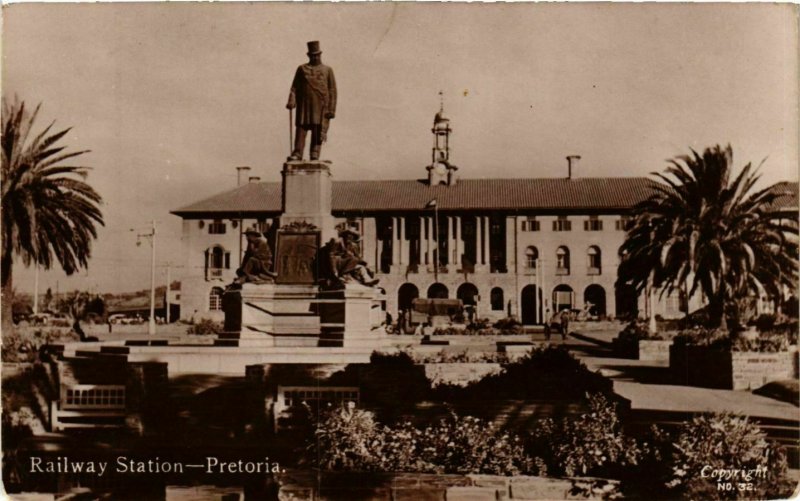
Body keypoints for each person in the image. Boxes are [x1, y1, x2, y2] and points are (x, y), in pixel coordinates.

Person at [286, 41, 337, 161]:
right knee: (301, 128)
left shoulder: (328, 70)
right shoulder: (302, 69)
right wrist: (291, 100)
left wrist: (331, 109)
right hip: (304, 105)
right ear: (308, 56)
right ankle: (297, 153)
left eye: (317, 55)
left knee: (317, 128)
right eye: (313, 55)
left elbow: (333, 90)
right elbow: (294, 87)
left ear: (320, 55)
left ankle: (315, 153)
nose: (315, 57)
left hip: (321, 106)